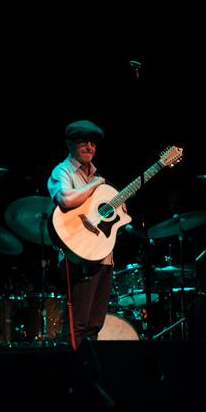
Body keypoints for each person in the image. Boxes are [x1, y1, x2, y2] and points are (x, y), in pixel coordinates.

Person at [47, 120, 115, 349]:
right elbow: (65, 199)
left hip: (104, 255)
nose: (89, 146)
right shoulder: (62, 171)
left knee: (94, 324)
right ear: (69, 143)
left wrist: (119, 211)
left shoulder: (97, 177)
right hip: (79, 256)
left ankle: (87, 373)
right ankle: (69, 375)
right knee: (78, 323)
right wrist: (94, 186)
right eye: (82, 141)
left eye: (93, 142)